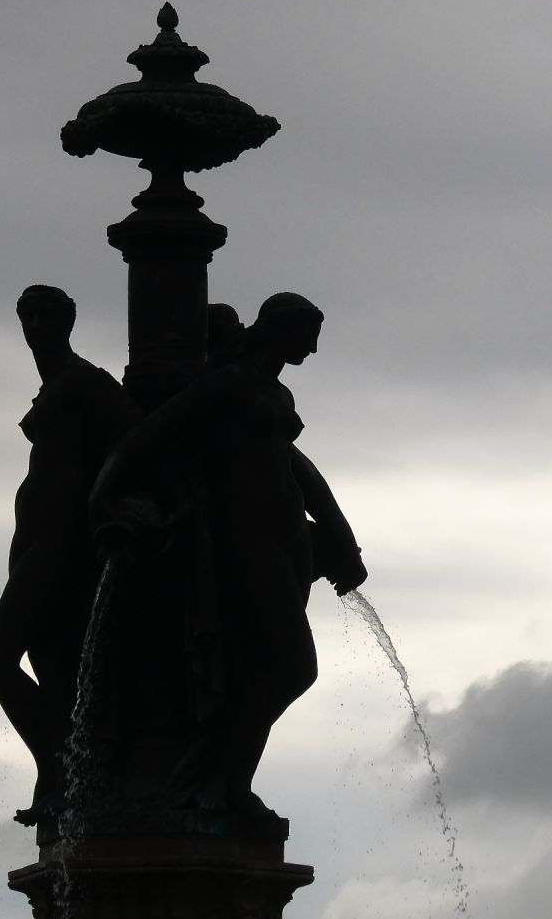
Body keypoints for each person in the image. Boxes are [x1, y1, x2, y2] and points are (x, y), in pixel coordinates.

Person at [90, 293, 364, 816]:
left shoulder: (274, 391)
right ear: (281, 329)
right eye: (308, 337)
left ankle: (231, 781)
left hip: (288, 539)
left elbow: (298, 470)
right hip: (247, 539)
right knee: (294, 666)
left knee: (264, 664)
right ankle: (217, 775)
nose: (312, 349)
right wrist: (104, 490)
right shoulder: (228, 385)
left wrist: (340, 539)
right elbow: (150, 434)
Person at [0, 285, 140, 826]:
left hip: (61, 545)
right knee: (55, 670)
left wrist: (109, 506)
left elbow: (136, 437)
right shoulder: (57, 383)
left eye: (48, 314)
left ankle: (63, 755)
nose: (37, 324)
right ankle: (59, 772)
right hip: (35, 541)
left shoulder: (86, 380)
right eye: (28, 315)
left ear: (69, 322)